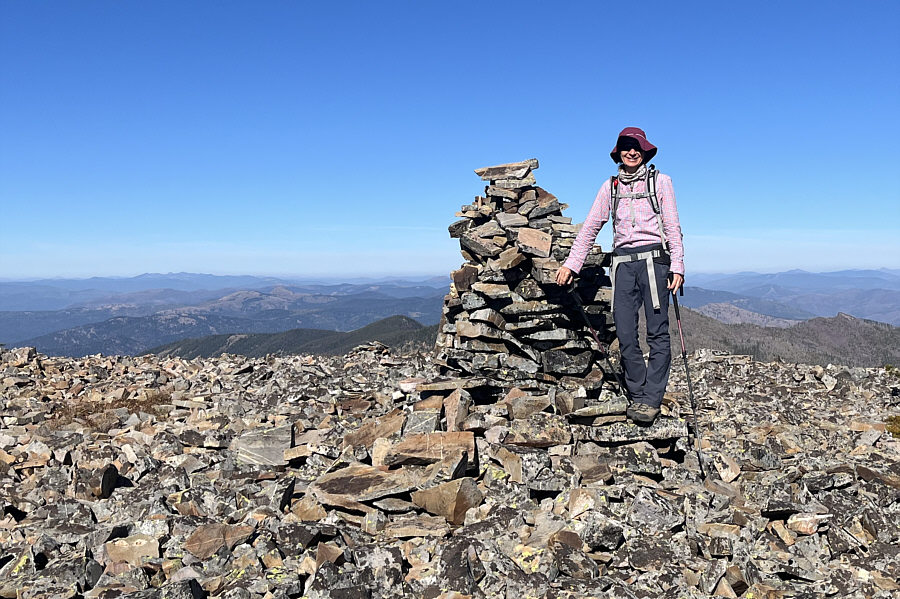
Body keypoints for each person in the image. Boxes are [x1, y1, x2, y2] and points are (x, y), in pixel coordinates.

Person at [556, 127, 684, 425]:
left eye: (636, 147)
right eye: (626, 147)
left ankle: (651, 399)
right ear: (619, 152)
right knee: (626, 333)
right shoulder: (610, 187)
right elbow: (590, 227)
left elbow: (672, 225)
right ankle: (638, 394)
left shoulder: (661, 182)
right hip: (623, 264)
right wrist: (571, 265)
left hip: (654, 261)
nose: (631, 152)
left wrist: (677, 265)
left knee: (657, 332)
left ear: (645, 151)